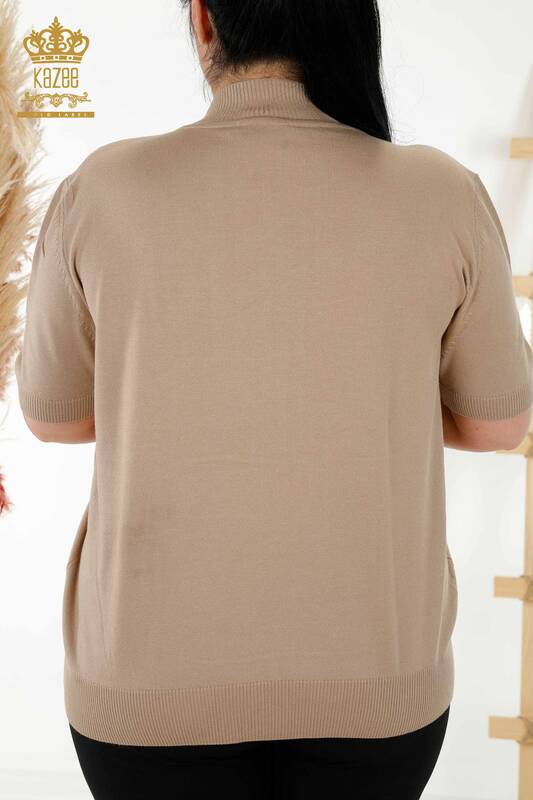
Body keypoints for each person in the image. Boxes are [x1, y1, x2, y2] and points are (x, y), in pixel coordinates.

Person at [14, 0, 533, 798]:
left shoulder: (104, 189)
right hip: (377, 688)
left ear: (203, 20)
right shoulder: (441, 192)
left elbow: (54, 418)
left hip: (147, 692)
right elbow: (498, 424)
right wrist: (362, 394)